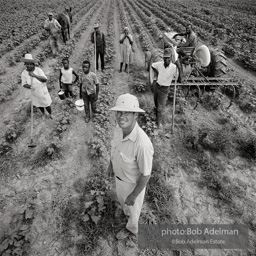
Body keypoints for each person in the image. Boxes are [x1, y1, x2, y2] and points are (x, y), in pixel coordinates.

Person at [108, 93, 154, 239]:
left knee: (133, 212)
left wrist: (134, 196)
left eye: (127, 112)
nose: (121, 116)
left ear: (136, 115)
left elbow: (146, 174)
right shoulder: (118, 128)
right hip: (119, 179)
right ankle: (126, 211)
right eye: (119, 112)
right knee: (124, 203)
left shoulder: (142, 144)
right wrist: (110, 165)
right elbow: (115, 148)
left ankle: (132, 229)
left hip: (132, 185)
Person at [151, 48, 177, 128]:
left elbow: (178, 78)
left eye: (168, 58)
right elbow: (152, 65)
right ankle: (156, 118)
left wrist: (178, 65)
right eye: (165, 58)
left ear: (171, 57)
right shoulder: (159, 64)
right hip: (157, 87)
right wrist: (157, 73)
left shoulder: (174, 67)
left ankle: (158, 125)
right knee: (156, 104)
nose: (166, 59)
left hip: (164, 90)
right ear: (163, 58)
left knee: (160, 108)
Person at [21, 54, 53, 119]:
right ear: (25, 64)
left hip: (42, 91)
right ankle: (44, 113)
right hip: (34, 92)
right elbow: (24, 84)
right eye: (27, 64)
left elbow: (44, 79)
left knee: (47, 104)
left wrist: (35, 75)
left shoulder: (38, 70)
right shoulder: (24, 73)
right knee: (39, 105)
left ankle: (50, 114)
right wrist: (29, 86)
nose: (29, 65)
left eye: (31, 64)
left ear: (33, 64)